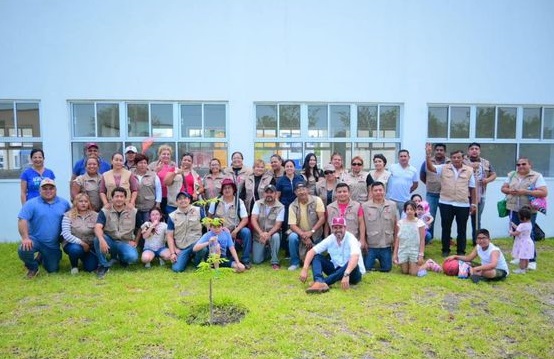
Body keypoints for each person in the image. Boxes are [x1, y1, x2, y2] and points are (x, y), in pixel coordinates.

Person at [425, 144, 476, 257]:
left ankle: (461, 251)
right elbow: (430, 168)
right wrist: (428, 155)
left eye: (458, 157)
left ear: (463, 158)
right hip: (446, 203)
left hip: (463, 204)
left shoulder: (469, 170)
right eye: (454, 157)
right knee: (446, 227)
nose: (456, 159)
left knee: (462, 229)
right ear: (451, 158)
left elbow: (472, 188)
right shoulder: (444, 167)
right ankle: (445, 250)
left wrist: (473, 204)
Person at [500, 156, 547, 270]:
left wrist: (525, 191)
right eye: (518, 164)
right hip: (513, 208)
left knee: (528, 235)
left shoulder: (536, 176)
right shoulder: (512, 175)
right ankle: (520, 256)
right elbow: (503, 188)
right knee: (516, 233)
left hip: (528, 211)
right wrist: (510, 191)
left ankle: (531, 260)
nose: (521, 166)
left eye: (523, 164)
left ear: (530, 165)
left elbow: (543, 192)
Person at [17, 179, 71, 278]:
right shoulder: (31, 203)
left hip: (52, 244)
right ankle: (33, 267)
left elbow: (71, 219)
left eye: (51, 188)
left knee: (52, 270)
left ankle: (42, 256)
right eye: (45, 189)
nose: (48, 191)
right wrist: (25, 238)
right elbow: (22, 220)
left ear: (56, 190)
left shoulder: (64, 203)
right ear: (39, 190)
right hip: (35, 239)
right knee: (23, 249)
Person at [299, 217, 365, 294]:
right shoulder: (330, 238)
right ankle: (319, 281)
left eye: (340, 227)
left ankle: (322, 283)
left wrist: (346, 274)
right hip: (337, 270)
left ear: (345, 228)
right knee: (317, 257)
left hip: (352, 272)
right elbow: (312, 251)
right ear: (332, 228)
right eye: (335, 228)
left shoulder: (351, 238)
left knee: (351, 262)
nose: (338, 230)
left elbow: (355, 257)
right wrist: (304, 269)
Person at [94, 187, 139, 278]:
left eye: (121, 196)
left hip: (125, 242)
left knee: (132, 257)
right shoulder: (105, 211)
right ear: (112, 199)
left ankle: (121, 259)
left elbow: (140, 228)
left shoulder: (133, 211)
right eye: (116, 196)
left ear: (125, 198)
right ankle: (103, 265)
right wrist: (102, 239)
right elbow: (98, 227)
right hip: (110, 241)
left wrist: (136, 241)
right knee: (97, 239)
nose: (119, 199)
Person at [208, 178, 252, 268]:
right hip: (220, 231)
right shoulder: (215, 201)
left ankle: (245, 260)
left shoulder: (239, 202)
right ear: (222, 190)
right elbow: (209, 217)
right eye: (225, 188)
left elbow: (245, 219)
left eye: (229, 188)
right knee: (225, 255)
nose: (227, 190)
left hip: (234, 230)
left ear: (234, 189)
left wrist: (236, 231)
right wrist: (211, 229)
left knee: (246, 232)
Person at [287, 182, 326, 271]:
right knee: (292, 237)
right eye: (298, 190)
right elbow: (292, 225)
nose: (301, 192)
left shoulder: (317, 200)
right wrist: (304, 235)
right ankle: (295, 262)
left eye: (303, 189)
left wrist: (311, 232)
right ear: (295, 193)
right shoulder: (292, 205)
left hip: (315, 233)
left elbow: (322, 219)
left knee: (314, 259)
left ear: (308, 190)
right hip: (300, 233)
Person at [465, 142, 497, 246]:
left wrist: (487, 180)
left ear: (479, 151)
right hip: (465, 195)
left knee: (476, 219)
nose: (474, 150)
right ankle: (462, 240)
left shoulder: (485, 162)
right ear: (468, 151)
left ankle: (476, 241)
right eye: (472, 149)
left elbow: (494, 174)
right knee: (463, 218)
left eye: (476, 149)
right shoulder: (463, 161)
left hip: (480, 195)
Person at [361, 181, 397, 272]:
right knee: (367, 268)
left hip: (386, 244)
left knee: (387, 268)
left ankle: (381, 260)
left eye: (380, 190)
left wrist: (395, 241)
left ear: (384, 191)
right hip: (371, 244)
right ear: (371, 192)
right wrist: (364, 241)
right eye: (375, 190)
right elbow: (362, 225)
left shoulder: (392, 205)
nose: (378, 192)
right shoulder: (365, 206)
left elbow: (396, 225)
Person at [166, 192, 204, 272]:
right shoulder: (172, 216)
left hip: (196, 243)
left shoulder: (198, 210)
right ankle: (188, 257)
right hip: (182, 247)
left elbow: (208, 226)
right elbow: (169, 236)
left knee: (203, 248)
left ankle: (197, 263)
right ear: (176, 202)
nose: (182, 200)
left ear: (189, 200)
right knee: (176, 269)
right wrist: (173, 252)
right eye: (180, 199)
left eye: (185, 198)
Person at [61, 193, 98, 274]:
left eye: (86, 201)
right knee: (75, 250)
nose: (83, 203)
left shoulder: (95, 215)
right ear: (76, 203)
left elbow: (99, 231)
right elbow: (66, 234)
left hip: (90, 246)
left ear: (89, 203)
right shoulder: (68, 215)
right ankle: (74, 266)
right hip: (73, 244)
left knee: (91, 268)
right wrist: (82, 243)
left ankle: (85, 258)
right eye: (80, 201)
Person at [250, 184, 284, 269]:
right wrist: (261, 233)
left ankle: (275, 261)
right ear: (263, 194)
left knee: (276, 236)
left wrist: (268, 234)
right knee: (257, 261)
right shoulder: (257, 203)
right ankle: (268, 250)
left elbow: (278, 225)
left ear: (275, 194)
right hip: (259, 235)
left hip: (272, 234)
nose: (269, 194)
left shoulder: (281, 207)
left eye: (271, 192)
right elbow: (253, 219)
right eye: (267, 192)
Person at [419, 143, 448, 239]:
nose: (439, 152)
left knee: (446, 217)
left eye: (441, 150)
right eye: (437, 150)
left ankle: (446, 238)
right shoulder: (427, 161)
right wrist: (430, 184)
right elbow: (422, 176)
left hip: (446, 194)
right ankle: (429, 237)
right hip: (431, 194)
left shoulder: (449, 162)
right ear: (434, 151)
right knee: (429, 216)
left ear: (445, 152)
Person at [393, 201, 425, 276]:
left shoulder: (420, 223)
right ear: (404, 211)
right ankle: (407, 264)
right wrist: (395, 254)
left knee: (413, 273)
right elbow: (398, 239)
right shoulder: (400, 223)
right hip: (403, 249)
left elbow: (422, 240)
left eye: (411, 209)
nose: (409, 211)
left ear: (415, 210)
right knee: (405, 271)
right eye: (407, 209)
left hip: (414, 250)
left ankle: (428, 264)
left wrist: (421, 255)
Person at [276, 159, 304, 244]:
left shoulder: (299, 179)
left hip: (297, 206)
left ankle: (298, 242)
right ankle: (286, 247)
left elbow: (303, 192)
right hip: (285, 207)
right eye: (287, 166)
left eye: (291, 166)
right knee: (286, 226)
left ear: (294, 168)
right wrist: (279, 208)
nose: (289, 168)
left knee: (297, 224)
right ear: (284, 168)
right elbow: (277, 196)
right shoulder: (281, 180)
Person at [133, 153, 162, 230]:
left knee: (149, 227)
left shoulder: (153, 175)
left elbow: (158, 190)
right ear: (136, 164)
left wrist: (157, 204)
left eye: (145, 163)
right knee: (137, 228)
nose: (143, 165)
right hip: (135, 207)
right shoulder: (131, 175)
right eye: (140, 163)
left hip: (149, 207)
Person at [386, 149, 419, 215]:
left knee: (404, 221)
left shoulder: (413, 170)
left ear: (409, 157)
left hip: (405, 200)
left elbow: (415, 184)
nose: (403, 158)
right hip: (391, 199)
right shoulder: (392, 167)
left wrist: (407, 191)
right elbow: (386, 181)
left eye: (405, 156)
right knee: (391, 220)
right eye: (401, 156)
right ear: (398, 158)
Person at [148, 144, 177, 217]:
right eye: (164, 154)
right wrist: (156, 171)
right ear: (159, 155)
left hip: (170, 197)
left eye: (168, 154)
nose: (166, 156)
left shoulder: (174, 165)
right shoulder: (153, 165)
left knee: (169, 217)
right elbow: (147, 178)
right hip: (157, 197)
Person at [508, 206, 534, 274]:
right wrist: (513, 225)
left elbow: (517, 233)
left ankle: (521, 269)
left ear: (524, 218)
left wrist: (511, 233)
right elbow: (520, 229)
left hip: (522, 243)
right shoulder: (529, 224)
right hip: (528, 242)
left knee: (522, 257)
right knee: (526, 257)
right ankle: (525, 268)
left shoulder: (522, 225)